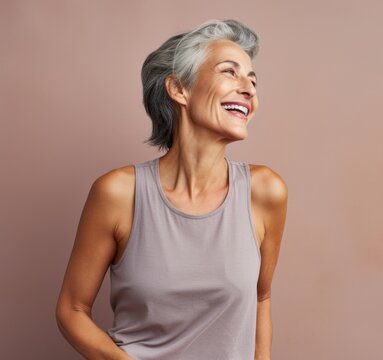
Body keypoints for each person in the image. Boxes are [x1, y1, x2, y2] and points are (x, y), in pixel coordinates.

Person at [55, 19, 288, 360]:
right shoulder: (119, 193)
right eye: (230, 72)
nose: (249, 89)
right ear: (179, 89)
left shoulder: (265, 192)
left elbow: (261, 297)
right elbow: (71, 310)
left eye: (253, 80)